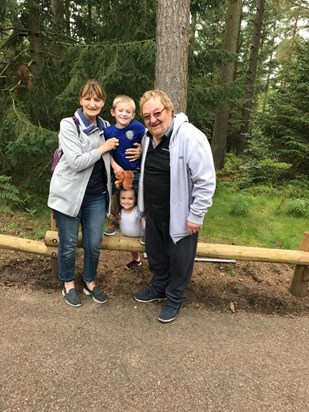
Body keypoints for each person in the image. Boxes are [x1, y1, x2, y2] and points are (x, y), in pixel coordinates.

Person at [134, 89, 216, 323]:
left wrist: (196, 215)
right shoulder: (148, 138)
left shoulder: (190, 137)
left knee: (180, 260)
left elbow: (206, 180)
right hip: (153, 213)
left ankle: (175, 298)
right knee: (157, 257)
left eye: (157, 113)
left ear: (169, 110)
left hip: (180, 216)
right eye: (147, 116)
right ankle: (159, 288)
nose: (152, 120)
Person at [48, 79, 120, 307]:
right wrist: (102, 148)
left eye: (97, 99)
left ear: (103, 102)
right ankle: (68, 283)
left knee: (93, 243)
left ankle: (89, 281)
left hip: (96, 196)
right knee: (68, 243)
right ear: (81, 100)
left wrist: (132, 154)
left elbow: (117, 151)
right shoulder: (69, 125)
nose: (92, 103)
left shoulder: (106, 125)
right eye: (88, 98)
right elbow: (77, 162)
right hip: (69, 194)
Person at [103, 95, 146, 237]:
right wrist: (114, 166)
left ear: (133, 115)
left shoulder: (138, 127)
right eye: (120, 110)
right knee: (115, 197)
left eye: (128, 112)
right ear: (113, 112)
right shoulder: (108, 132)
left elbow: (148, 141)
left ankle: (144, 226)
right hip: (118, 172)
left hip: (135, 171)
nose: (124, 114)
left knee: (140, 196)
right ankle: (115, 222)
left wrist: (141, 150)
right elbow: (106, 152)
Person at [113, 186, 145, 269]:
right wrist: (115, 220)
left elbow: (144, 220)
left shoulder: (137, 211)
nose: (126, 201)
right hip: (128, 238)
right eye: (123, 198)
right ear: (119, 199)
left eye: (130, 198)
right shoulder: (120, 211)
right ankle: (137, 260)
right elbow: (122, 221)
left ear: (135, 200)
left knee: (147, 249)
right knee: (132, 250)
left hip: (140, 237)